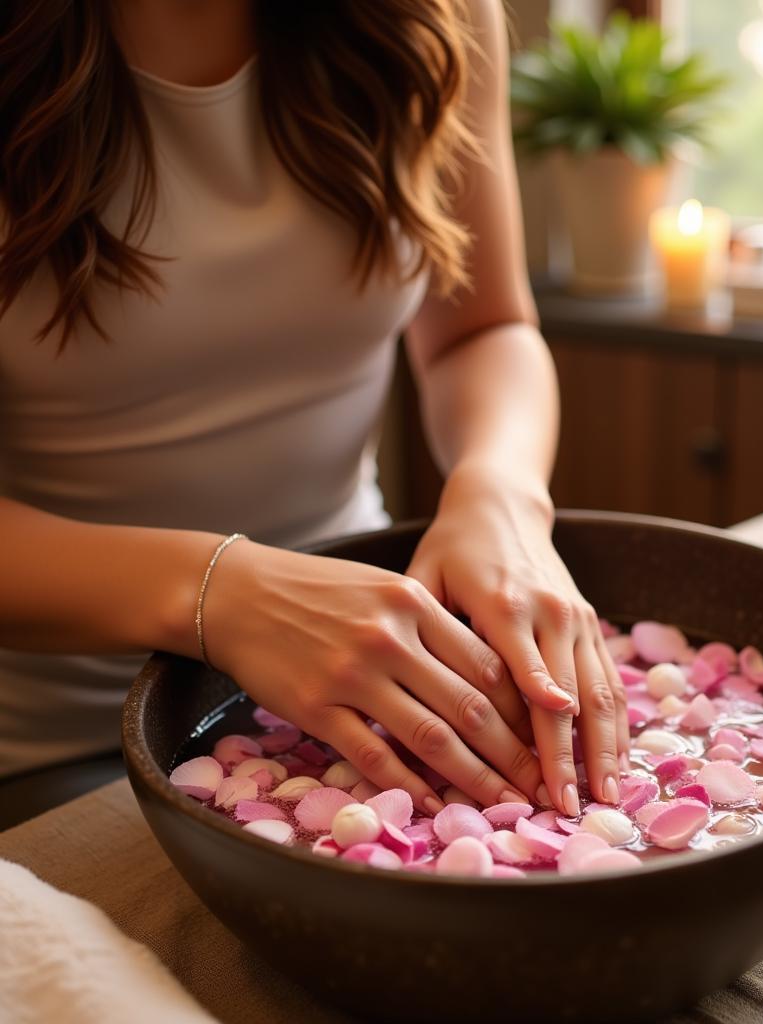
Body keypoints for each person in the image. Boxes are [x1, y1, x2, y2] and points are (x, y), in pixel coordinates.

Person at [0, 0, 629, 824]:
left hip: (369, 687)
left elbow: (483, 328)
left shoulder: (435, 18)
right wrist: (223, 594)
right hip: (53, 750)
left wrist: (503, 495)